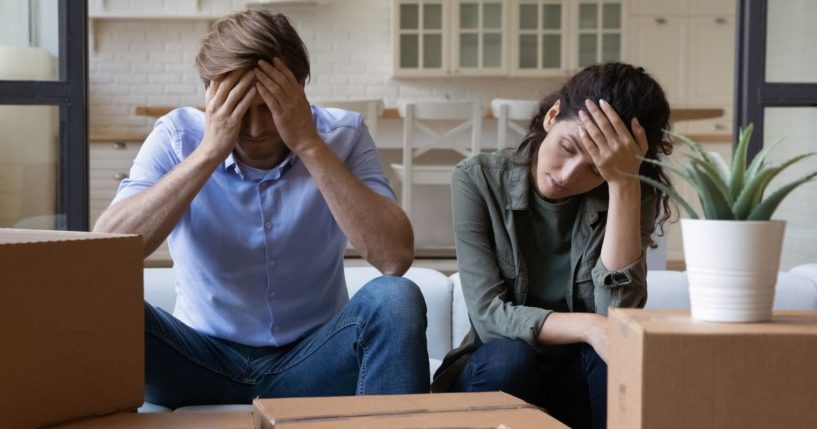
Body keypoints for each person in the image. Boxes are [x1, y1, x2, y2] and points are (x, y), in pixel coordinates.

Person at [94, 9, 429, 408]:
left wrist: (308, 144)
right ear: (211, 96)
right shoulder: (176, 136)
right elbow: (107, 248)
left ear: (299, 90)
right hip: (196, 360)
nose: (254, 130)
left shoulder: (343, 134)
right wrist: (209, 152)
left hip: (311, 362)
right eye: (238, 109)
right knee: (99, 302)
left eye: (269, 107)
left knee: (396, 298)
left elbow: (395, 258)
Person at [431, 63, 673, 429]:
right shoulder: (478, 178)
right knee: (511, 359)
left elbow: (618, 319)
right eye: (568, 147)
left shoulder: (629, 195)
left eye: (595, 169)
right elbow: (489, 316)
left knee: (616, 357)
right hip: (497, 376)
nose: (566, 175)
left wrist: (623, 186)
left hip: (579, 383)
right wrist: (588, 326)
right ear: (552, 116)